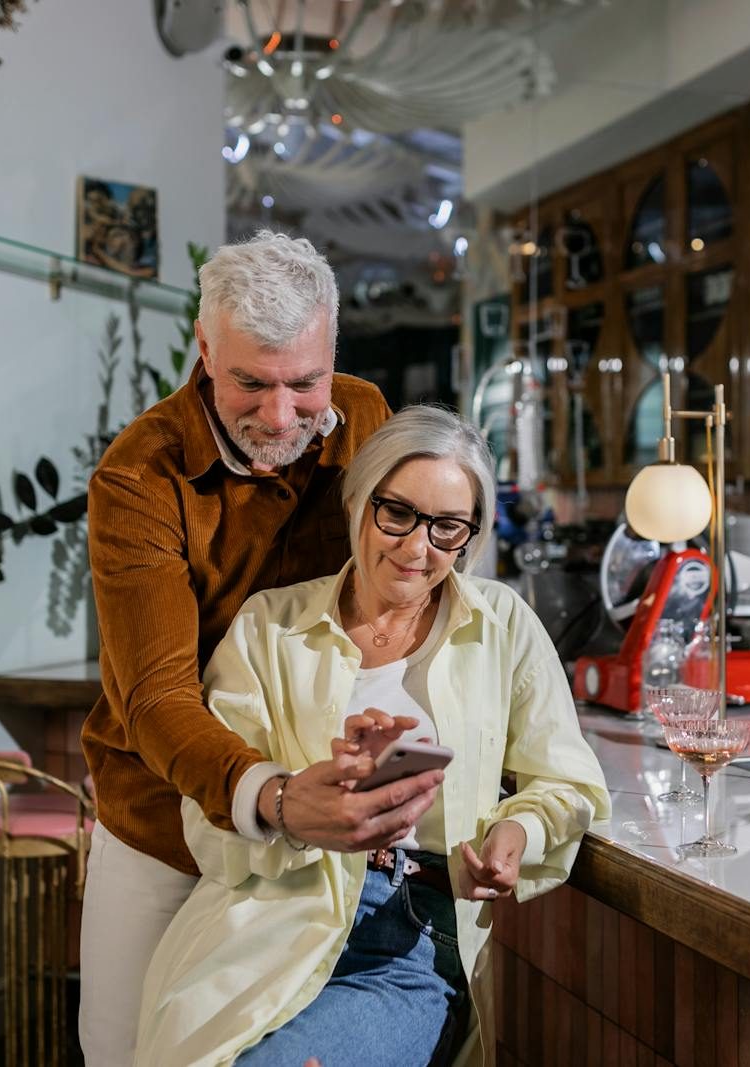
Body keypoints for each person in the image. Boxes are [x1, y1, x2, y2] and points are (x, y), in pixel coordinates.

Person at [134, 406, 611, 1066]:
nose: (419, 549)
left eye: (448, 528)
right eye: (398, 514)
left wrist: (515, 834)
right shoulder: (269, 628)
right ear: (358, 500)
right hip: (265, 928)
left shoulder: (502, 625)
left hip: (408, 933)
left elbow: (566, 782)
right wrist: (302, 804)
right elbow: (208, 818)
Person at [78, 232, 445, 1066]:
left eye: (304, 383)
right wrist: (275, 798)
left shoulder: (368, 421)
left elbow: (412, 601)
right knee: (125, 1050)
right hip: (164, 820)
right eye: (250, 381)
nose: (282, 416)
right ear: (205, 350)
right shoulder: (138, 478)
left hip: (319, 828)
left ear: (332, 356)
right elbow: (158, 699)